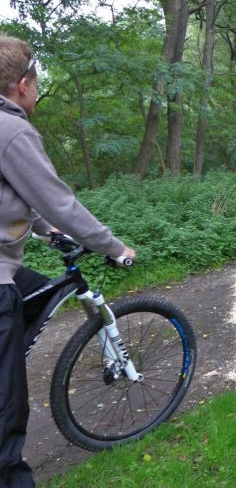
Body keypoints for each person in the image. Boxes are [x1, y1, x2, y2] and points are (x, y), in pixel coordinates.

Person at [0, 35, 136, 486]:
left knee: (37, 293)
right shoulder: (13, 130)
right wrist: (114, 248)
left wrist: (46, 230)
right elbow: (60, 202)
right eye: (37, 85)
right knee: (6, 412)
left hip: (7, 270)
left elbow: (19, 195)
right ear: (23, 84)